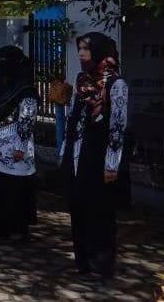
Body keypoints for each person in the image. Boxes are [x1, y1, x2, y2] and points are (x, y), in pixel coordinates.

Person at [63, 32, 129, 283]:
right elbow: (74, 118)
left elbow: (118, 126)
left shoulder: (116, 84)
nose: (81, 53)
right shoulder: (83, 80)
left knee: (99, 212)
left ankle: (101, 264)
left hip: (99, 156)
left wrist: (112, 163)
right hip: (78, 153)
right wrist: (66, 150)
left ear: (99, 52)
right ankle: (82, 262)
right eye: (79, 48)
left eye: (86, 49)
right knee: (79, 209)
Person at [0, 45, 39, 241]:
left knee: (14, 189)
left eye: (4, 61)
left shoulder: (25, 89)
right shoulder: (1, 86)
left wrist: (20, 147)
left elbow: (27, 119)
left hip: (14, 147)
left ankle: (17, 229)